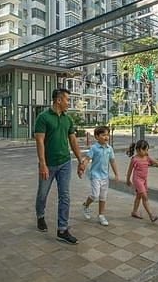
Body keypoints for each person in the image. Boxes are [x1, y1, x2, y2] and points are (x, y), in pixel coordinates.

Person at [34, 88, 86, 244]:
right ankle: (40, 216)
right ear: (58, 100)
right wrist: (42, 164)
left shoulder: (67, 119)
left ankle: (62, 229)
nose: (69, 103)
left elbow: (73, 141)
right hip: (48, 164)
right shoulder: (43, 118)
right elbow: (40, 141)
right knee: (42, 194)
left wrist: (80, 160)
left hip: (65, 163)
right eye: (67, 100)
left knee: (65, 196)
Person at [78, 126, 119, 226]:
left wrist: (116, 174)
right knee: (95, 195)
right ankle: (86, 205)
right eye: (103, 135)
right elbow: (87, 159)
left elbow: (112, 161)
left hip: (105, 177)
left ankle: (101, 215)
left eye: (107, 135)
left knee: (103, 197)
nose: (106, 137)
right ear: (97, 136)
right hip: (95, 175)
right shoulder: (94, 148)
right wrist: (82, 168)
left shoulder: (109, 149)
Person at [126, 139, 158, 222]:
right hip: (137, 180)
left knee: (139, 196)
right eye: (145, 150)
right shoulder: (134, 159)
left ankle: (134, 212)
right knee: (145, 197)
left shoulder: (147, 157)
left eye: (147, 150)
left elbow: (156, 163)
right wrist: (128, 180)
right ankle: (151, 215)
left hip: (144, 180)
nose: (146, 152)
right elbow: (129, 171)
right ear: (138, 150)